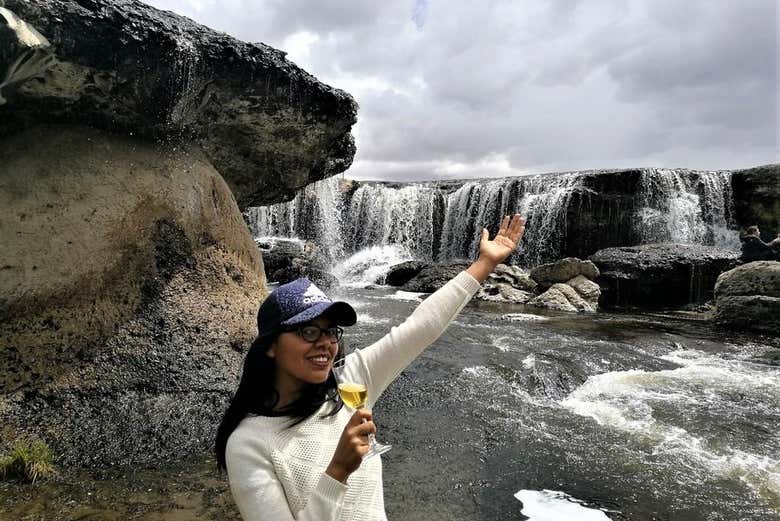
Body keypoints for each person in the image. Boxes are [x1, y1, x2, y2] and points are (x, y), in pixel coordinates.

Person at [216, 214, 526, 521]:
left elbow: (420, 327)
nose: (325, 343)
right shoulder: (248, 444)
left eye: (331, 331)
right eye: (308, 331)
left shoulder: (350, 381)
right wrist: (338, 471)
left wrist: (484, 263)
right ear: (270, 346)